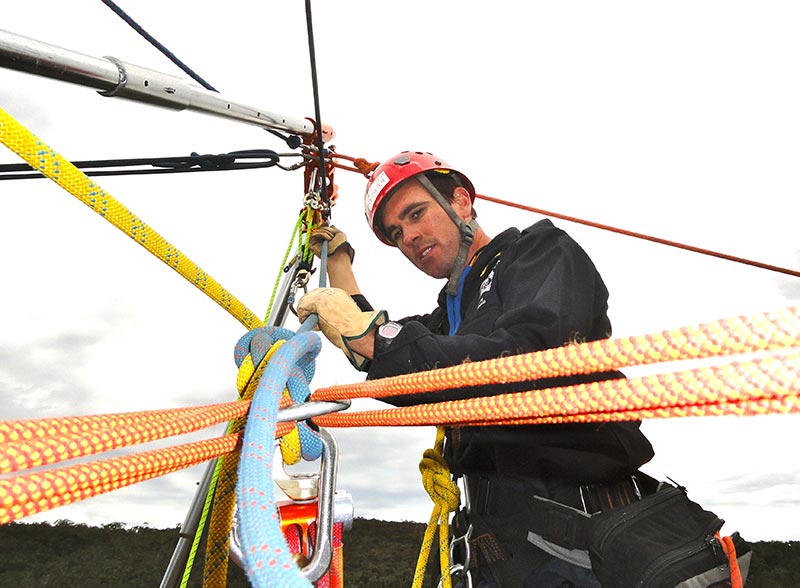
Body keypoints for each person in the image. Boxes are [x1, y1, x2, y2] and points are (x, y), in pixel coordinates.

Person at [297, 151, 746, 587]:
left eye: (416, 214)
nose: (408, 237)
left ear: (461, 202)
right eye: (396, 233)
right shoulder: (451, 312)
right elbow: (397, 357)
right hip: (502, 546)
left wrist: (376, 340)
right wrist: (341, 268)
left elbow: (529, 357)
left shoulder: (540, 252)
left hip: (581, 538)